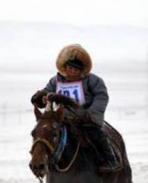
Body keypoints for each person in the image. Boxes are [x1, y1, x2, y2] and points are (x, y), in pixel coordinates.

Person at [30, 44, 121, 173]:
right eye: (70, 68)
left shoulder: (93, 80)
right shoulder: (55, 81)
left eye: (77, 69)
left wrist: (92, 114)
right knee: (43, 133)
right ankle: (41, 161)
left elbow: (101, 96)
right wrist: (40, 98)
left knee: (97, 135)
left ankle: (110, 161)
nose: (73, 71)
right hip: (61, 118)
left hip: (84, 118)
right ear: (65, 67)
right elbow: (45, 93)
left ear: (82, 70)